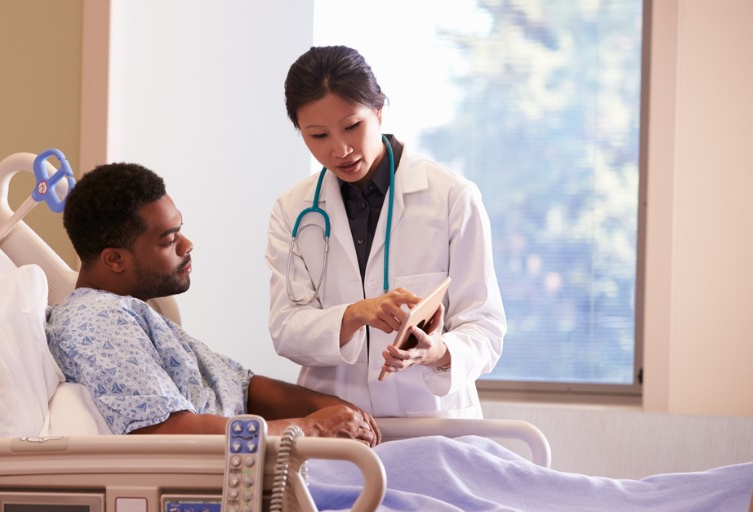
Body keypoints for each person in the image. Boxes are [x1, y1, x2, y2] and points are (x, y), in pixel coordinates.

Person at [45, 162, 380, 446]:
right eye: (169, 240)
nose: (187, 245)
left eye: (181, 230)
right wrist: (312, 428)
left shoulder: (134, 313)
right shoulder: (98, 322)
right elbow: (168, 432)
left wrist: (331, 407)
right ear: (115, 259)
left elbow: (242, 387)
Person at [265, 45, 505, 419]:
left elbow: (485, 326)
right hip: (337, 425)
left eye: (351, 126)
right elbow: (286, 329)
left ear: (378, 110)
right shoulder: (293, 210)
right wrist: (356, 314)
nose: (340, 149)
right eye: (318, 136)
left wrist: (438, 352)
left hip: (431, 423)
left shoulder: (452, 198)